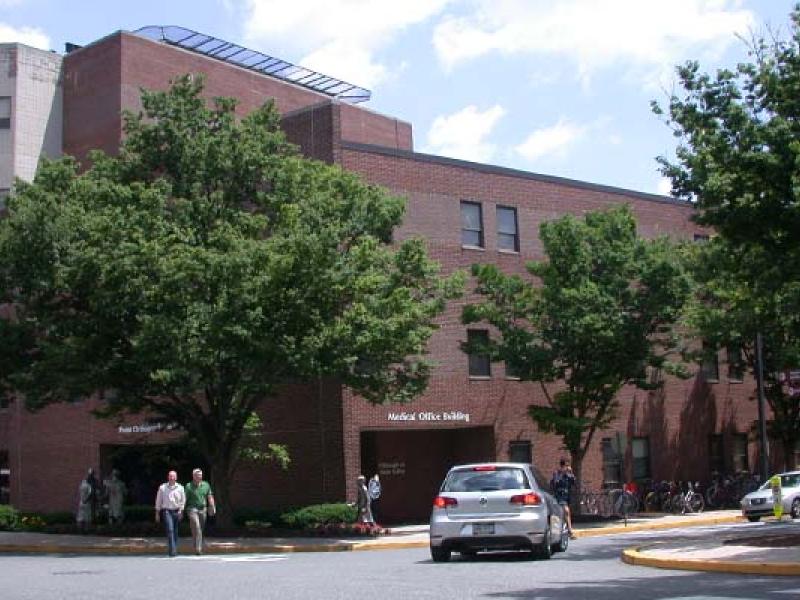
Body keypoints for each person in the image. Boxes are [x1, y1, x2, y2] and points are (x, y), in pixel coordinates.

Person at [184, 468, 216, 555]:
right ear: (193, 476)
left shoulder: (206, 485)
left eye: (200, 475)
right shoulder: (188, 486)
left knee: (199, 529)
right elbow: (185, 498)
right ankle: (198, 549)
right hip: (192, 509)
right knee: (197, 526)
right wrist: (181, 509)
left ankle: (195, 544)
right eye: (197, 475)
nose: (199, 477)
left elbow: (209, 496)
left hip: (203, 509)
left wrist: (212, 506)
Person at [155, 470, 186, 557]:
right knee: (170, 530)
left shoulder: (180, 488)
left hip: (177, 511)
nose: (172, 478)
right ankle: (173, 550)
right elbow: (158, 501)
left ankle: (173, 548)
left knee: (175, 531)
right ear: (168, 477)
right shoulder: (162, 488)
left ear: (176, 478)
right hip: (167, 511)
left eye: (173, 476)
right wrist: (157, 513)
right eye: (170, 476)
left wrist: (181, 510)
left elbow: (183, 500)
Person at [551, 458, 577, 539]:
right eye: (567, 466)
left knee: (560, 514)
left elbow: (574, 482)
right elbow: (556, 482)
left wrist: (571, 473)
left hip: (566, 497)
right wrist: (563, 473)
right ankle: (570, 532)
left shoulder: (568, 475)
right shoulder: (557, 473)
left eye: (569, 466)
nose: (568, 468)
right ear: (562, 466)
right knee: (566, 511)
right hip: (558, 496)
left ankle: (559, 532)